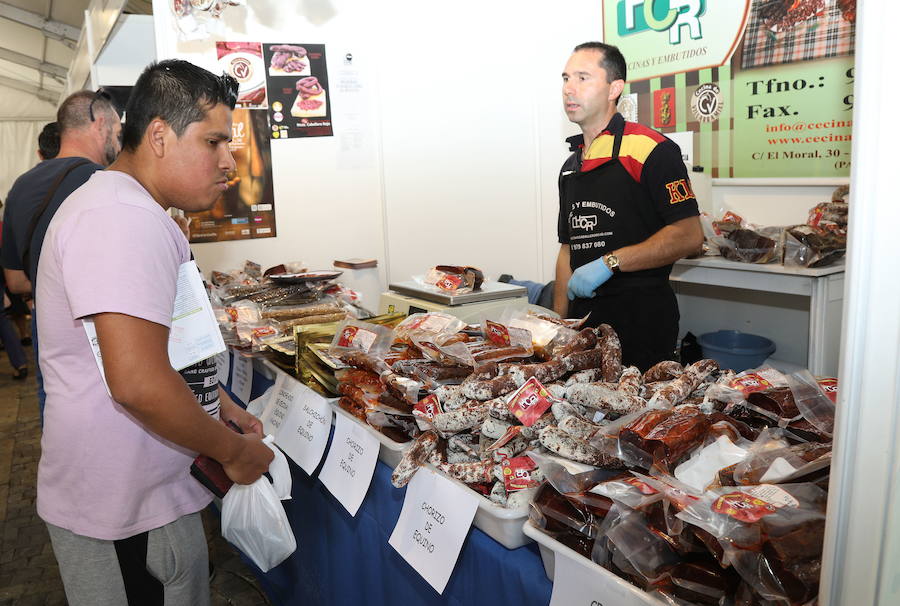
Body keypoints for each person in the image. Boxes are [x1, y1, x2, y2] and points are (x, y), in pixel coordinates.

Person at [35, 60, 273, 605]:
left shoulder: (130, 209)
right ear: (160, 135)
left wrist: (222, 405)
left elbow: (164, 349)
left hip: (142, 494)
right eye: (214, 142)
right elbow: (137, 383)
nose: (228, 162)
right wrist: (231, 452)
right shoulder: (121, 218)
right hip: (121, 509)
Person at [554, 42, 703, 370]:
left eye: (582, 78)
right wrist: (559, 324)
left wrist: (609, 263)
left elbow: (690, 235)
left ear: (614, 88)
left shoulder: (652, 149)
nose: (569, 89)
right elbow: (568, 249)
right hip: (584, 325)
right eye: (565, 78)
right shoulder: (570, 166)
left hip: (641, 323)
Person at [1, 90, 122, 420]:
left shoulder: (20, 188)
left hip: (46, 322)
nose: (118, 139)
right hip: (103, 322)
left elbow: (15, 280)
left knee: (55, 408)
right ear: (100, 124)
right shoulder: (106, 182)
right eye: (116, 129)